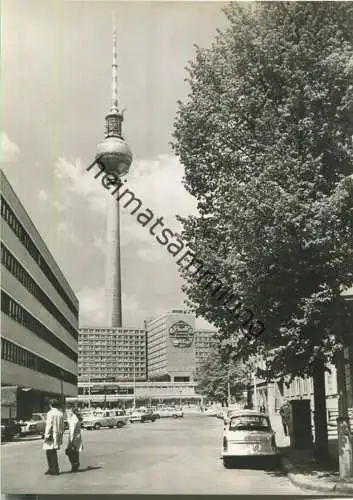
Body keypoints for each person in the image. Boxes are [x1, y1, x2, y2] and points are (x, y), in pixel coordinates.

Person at [43, 399, 65, 475]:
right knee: (52, 451)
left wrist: (46, 435)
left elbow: (49, 425)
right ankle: (52, 468)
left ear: (50, 405)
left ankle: (54, 469)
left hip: (51, 434)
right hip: (58, 434)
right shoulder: (60, 413)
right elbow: (63, 426)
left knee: (50, 452)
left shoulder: (50, 413)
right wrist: (61, 435)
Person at [65, 405, 83, 472]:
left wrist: (70, 441)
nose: (66, 412)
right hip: (77, 437)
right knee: (75, 451)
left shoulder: (73, 419)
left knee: (70, 452)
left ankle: (74, 465)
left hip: (73, 437)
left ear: (71, 410)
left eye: (67, 410)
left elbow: (72, 431)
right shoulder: (74, 417)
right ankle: (75, 465)